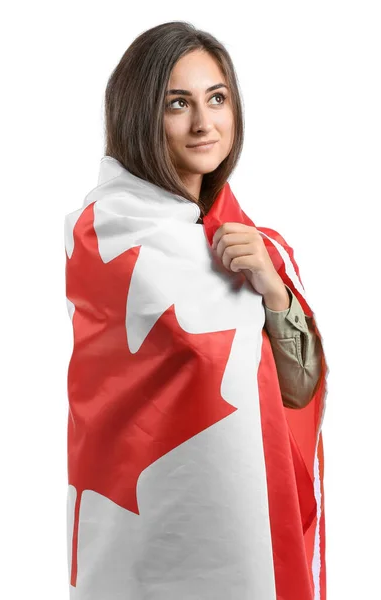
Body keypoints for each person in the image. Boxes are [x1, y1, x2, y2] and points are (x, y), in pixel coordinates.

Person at [64, 20, 328, 600]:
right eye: (177, 104)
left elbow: (296, 391)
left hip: (239, 524)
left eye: (217, 98)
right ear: (139, 114)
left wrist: (274, 292)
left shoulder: (252, 243)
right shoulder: (106, 233)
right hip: (145, 526)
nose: (204, 124)